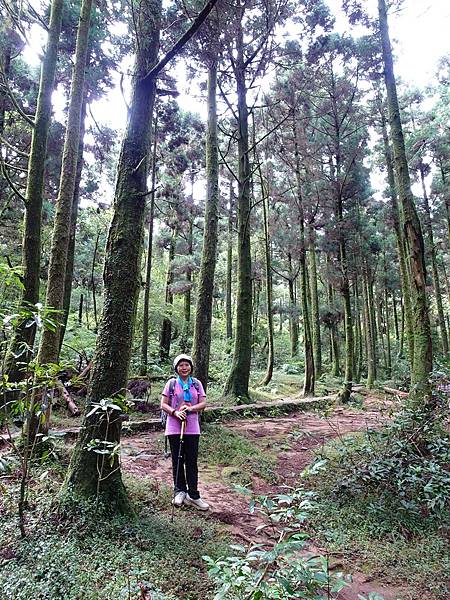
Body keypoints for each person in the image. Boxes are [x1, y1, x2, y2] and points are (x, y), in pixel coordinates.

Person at [160, 354, 210, 511]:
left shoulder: (196, 384)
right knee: (177, 459)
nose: (184, 367)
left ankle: (194, 495)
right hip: (174, 427)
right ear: (176, 368)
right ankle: (179, 491)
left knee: (191, 461)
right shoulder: (172, 383)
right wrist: (175, 412)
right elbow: (163, 404)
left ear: (191, 367)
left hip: (192, 427)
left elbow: (203, 403)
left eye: (186, 365)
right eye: (180, 365)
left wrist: (191, 409)